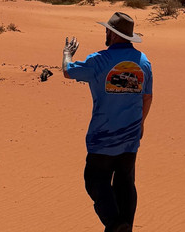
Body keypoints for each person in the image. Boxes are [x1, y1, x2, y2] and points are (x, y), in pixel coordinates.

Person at [63, 12, 153, 232]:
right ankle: (125, 227)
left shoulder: (100, 60)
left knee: (94, 180)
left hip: (103, 138)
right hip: (130, 138)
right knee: (125, 183)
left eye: (107, 30)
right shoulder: (144, 62)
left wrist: (67, 54)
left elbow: (68, 71)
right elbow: (147, 97)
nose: (105, 33)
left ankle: (115, 225)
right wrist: (141, 123)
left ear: (113, 34)